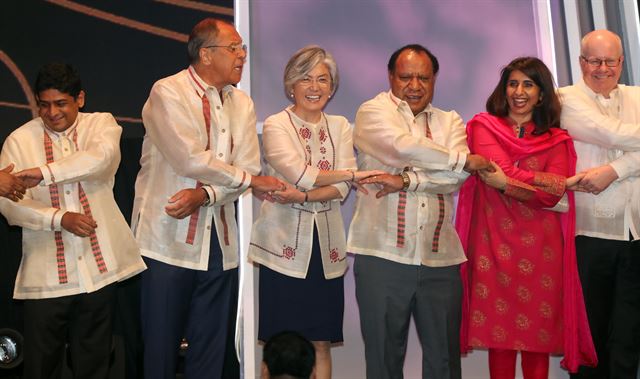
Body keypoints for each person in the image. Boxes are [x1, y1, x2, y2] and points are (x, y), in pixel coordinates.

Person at [132, 18, 284, 379]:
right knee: (160, 349)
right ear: (205, 54)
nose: (242, 56)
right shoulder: (167, 92)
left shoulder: (242, 103)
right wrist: (248, 180)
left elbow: (245, 164)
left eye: (242, 49)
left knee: (211, 351)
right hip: (167, 240)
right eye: (234, 48)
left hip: (221, 241)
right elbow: (189, 157)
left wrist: (205, 194)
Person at [347, 44, 491, 379]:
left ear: (434, 79)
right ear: (390, 77)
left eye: (423, 78)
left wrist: (406, 180)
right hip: (382, 254)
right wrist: (459, 160)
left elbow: (453, 179)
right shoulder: (372, 112)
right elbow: (401, 146)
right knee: (383, 361)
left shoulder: (450, 120)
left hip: (440, 259)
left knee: (444, 361)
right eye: (406, 77)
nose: (415, 85)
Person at [0, 62, 146, 379]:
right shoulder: (19, 141)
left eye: (61, 103)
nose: (52, 112)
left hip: (98, 271)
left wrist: (42, 174)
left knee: (94, 364)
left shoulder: (101, 126)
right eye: (44, 104)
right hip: (46, 275)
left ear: (79, 99)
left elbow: (100, 161)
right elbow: (10, 205)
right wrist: (59, 218)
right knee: (41, 366)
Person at [456, 56, 598, 379]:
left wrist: (513, 184)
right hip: (493, 244)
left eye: (528, 84)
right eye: (513, 83)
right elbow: (499, 170)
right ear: (503, 89)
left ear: (542, 94)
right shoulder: (482, 126)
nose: (519, 92)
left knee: (537, 341)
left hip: (541, 251)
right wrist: (552, 181)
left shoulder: (557, 139)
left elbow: (550, 195)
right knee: (500, 339)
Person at [248, 45, 381, 379]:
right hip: (282, 248)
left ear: (332, 87)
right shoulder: (277, 124)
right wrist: (347, 175)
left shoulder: (340, 126)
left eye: (323, 79)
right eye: (305, 78)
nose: (314, 87)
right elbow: (300, 173)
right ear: (291, 84)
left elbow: (338, 190)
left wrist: (307, 195)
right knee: (278, 342)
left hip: (326, 250)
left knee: (321, 341)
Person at [558, 29, 640, 379]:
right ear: (581, 62)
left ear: (622, 63)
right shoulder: (564, 98)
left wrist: (613, 169)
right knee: (589, 337)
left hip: (635, 233)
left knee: (628, 336)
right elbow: (609, 134)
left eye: (610, 60)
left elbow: (618, 144)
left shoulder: (638, 96)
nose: (602, 68)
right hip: (588, 232)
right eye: (594, 60)